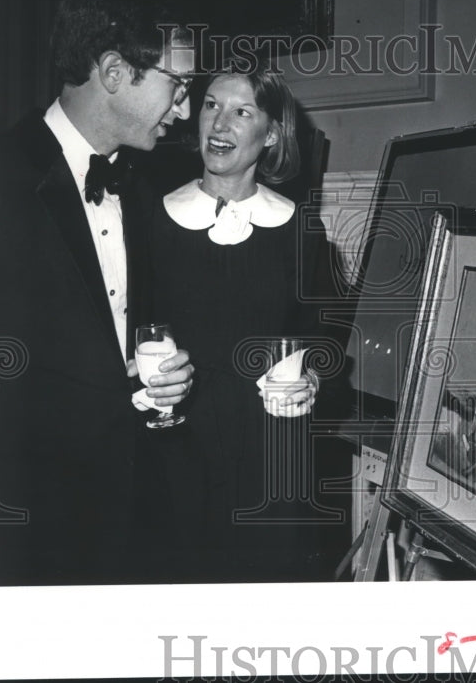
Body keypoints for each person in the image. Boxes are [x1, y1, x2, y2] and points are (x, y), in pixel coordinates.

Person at [0, 0, 196, 586]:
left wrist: (157, 384)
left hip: (126, 526)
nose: (186, 111)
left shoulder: (141, 189)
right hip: (28, 539)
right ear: (116, 72)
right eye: (178, 87)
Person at [147, 65, 332, 582]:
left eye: (241, 111)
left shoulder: (300, 228)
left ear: (271, 134)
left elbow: (320, 339)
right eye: (210, 105)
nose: (219, 123)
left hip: (272, 449)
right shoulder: (151, 218)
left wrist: (313, 377)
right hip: (176, 447)